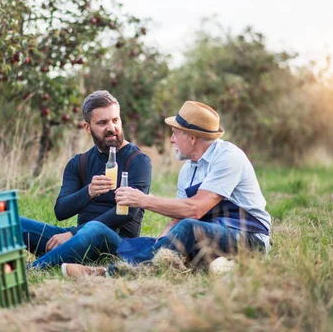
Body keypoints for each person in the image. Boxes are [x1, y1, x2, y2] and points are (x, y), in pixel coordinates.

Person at [61, 100, 271, 277]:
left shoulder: (228, 157)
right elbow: (177, 220)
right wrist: (162, 241)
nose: (171, 140)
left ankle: (108, 274)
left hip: (249, 237)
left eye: (175, 133)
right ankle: (217, 265)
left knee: (190, 228)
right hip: (211, 236)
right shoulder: (188, 169)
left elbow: (194, 210)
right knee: (149, 243)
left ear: (191, 137)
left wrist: (143, 200)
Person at [20, 90, 152, 268]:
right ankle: (65, 256)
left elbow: (127, 212)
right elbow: (61, 211)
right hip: (76, 239)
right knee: (12, 223)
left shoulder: (138, 161)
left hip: (116, 244)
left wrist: (74, 233)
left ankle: (34, 269)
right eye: (102, 123)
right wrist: (88, 192)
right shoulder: (78, 162)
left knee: (94, 230)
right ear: (88, 127)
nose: (112, 128)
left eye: (115, 120)